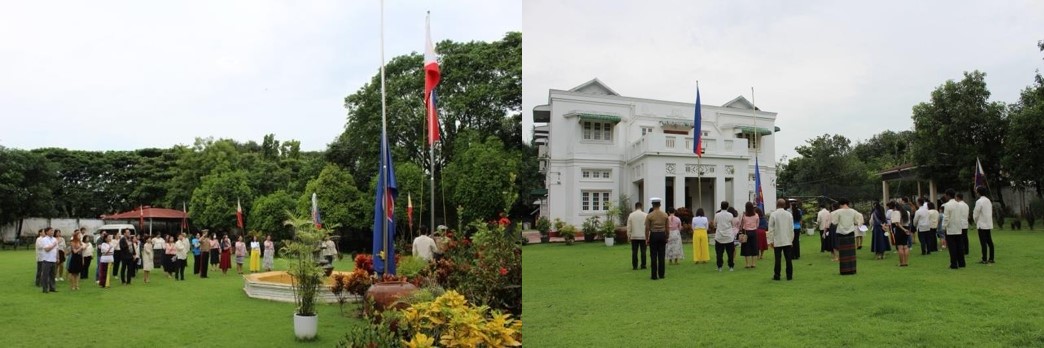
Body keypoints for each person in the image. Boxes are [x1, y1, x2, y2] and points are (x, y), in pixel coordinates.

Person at [831, 198, 863, 275]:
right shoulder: (853, 211)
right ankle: (852, 270)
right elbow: (859, 218)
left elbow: (834, 222)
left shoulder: (837, 212)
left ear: (840, 204)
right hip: (851, 233)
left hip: (841, 234)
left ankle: (844, 271)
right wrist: (858, 224)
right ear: (847, 203)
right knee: (851, 253)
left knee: (843, 254)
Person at [767, 199, 795, 281]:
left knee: (778, 259)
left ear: (776, 204)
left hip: (777, 240)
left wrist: (770, 241)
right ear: (784, 205)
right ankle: (789, 276)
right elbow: (791, 228)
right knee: (788, 259)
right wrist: (791, 240)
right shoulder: (789, 214)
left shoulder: (773, 214)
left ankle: (777, 275)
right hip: (787, 240)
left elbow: (770, 229)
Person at [942, 189, 968, 269]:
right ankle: (962, 263)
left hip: (950, 228)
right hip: (959, 227)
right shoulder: (959, 205)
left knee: (952, 247)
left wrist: (944, 226)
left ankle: (954, 263)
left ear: (948, 195)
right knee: (959, 246)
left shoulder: (947, 205)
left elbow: (946, 218)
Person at [644, 197, 669, 280]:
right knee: (662, 255)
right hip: (662, 234)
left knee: (653, 255)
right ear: (660, 205)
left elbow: (647, 228)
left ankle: (654, 275)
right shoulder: (665, 215)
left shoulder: (649, 215)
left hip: (654, 235)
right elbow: (667, 227)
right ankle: (661, 274)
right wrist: (667, 236)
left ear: (652, 205)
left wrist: (647, 238)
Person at [972, 186, 995, 264]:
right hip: (988, 223)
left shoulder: (979, 201)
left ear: (978, 193)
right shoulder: (988, 200)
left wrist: (975, 221)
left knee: (983, 242)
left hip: (981, 224)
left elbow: (976, 213)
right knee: (989, 242)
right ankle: (991, 258)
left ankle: (984, 259)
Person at [712, 201, 736, 272]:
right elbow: (732, 224)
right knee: (730, 253)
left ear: (721, 206)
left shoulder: (717, 215)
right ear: (727, 207)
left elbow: (714, 225)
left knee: (719, 253)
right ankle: (731, 266)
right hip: (729, 236)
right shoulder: (730, 215)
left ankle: (720, 267)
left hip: (719, 236)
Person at [627, 202, 648, 270]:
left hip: (634, 236)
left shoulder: (631, 215)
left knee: (634, 251)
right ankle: (643, 265)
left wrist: (628, 235)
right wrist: (648, 236)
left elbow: (629, 227)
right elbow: (648, 226)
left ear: (635, 207)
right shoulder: (645, 215)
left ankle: (635, 266)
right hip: (643, 236)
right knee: (643, 251)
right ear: (641, 207)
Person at [891, 201, 912, 267]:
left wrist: (904, 229)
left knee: (900, 247)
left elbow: (897, 223)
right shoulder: (907, 212)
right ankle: (906, 262)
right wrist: (907, 230)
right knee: (905, 246)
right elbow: (908, 222)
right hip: (906, 228)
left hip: (900, 229)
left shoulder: (896, 212)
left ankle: (901, 262)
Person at [740, 202, 760, 269]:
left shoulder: (744, 215)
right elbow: (757, 224)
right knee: (754, 247)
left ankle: (747, 264)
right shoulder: (756, 215)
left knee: (746, 247)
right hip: (754, 232)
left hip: (746, 232)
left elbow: (742, 224)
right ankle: (753, 263)